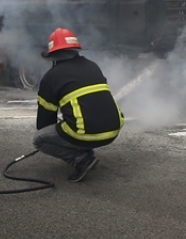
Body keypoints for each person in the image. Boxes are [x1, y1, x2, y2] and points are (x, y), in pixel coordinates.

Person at [33, 27, 124, 182]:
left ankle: (81, 159)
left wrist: (56, 139)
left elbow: (45, 120)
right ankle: (85, 150)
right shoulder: (93, 66)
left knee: (40, 139)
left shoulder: (52, 76)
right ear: (76, 50)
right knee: (75, 121)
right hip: (113, 130)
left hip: (87, 133)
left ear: (53, 55)